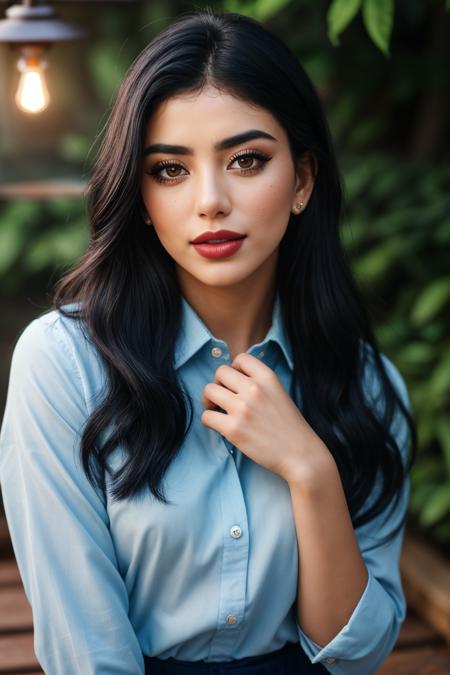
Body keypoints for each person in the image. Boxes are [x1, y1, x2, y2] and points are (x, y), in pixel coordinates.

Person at [0, 9, 416, 675]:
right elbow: (88, 652)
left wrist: (310, 471)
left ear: (303, 180)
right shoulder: (64, 364)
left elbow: (354, 655)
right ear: (139, 194)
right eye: (170, 169)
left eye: (247, 160)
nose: (211, 201)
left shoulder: (367, 385)